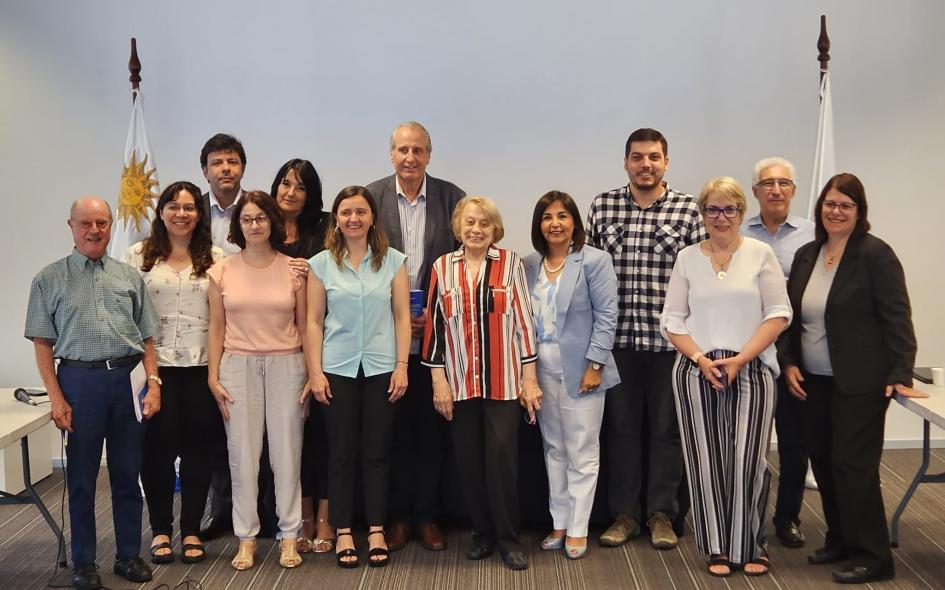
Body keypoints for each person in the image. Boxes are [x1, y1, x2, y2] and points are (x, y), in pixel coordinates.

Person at [778, 173, 923, 584]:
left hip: (860, 381)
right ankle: (840, 539)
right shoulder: (809, 253)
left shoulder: (875, 255)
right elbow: (791, 318)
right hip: (813, 379)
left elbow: (897, 316)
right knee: (822, 460)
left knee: (853, 466)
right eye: (829, 204)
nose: (835, 211)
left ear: (859, 212)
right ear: (819, 208)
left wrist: (900, 369)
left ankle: (875, 555)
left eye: (845, 205)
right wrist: (788, 361)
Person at [25, 197, 160, 590]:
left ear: (111, 225)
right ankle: (83, 561)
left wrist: (153, 384)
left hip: (126, 381)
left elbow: (148, 337)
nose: (94, 230)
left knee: (126, 473)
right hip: (79, 383)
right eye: (86, 223)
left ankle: (129, 555)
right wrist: (56, 397)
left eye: (102, 222)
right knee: (82, 478)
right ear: (71, 225)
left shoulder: (129, 277)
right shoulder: (48, 279)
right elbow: (42, 344)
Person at [661, 177, 791, 577]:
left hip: (750, 369)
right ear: (702, 214)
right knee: (705, 461)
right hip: (696, 370)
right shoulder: (687, 258)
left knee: (746, 460)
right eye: (712, 209)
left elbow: (779, 313)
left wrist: (741, 359)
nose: (721, 217)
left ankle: (752, 544)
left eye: (729, 209)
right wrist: (700, 358)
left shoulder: (760, 253)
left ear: (741, 212)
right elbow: (672, 319)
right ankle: (718, 546)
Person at [586, 128, 705, 549]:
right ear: (626, 162)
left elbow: (700, 280)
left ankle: (662, 515)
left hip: (670, 346)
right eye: (637, 157)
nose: (646, 165)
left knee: (666, 432)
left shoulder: (688, 211)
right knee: (620, 432)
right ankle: (624, 515)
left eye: (654, 157)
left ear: (666, 162)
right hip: (617, 343)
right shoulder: (603, 207)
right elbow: (590, 277)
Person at [423, 196, 541, 571]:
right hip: (459, 382)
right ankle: (482, 534)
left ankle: (509, 538)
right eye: (470, 223)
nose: (476, 230)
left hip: (502, 382)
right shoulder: (443, 267)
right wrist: (438, 381)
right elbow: (434, 331)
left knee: (502, 460)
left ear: (495, 229)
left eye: (484, 224)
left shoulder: (510, 264)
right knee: (469, 462)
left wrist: (529, 379)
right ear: (458, 228)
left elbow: (524, 322)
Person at [367, 121, 465, 553]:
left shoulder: (451, 197)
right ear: (391, 154)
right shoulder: (370, 197)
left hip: (436, 341)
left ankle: (426, 517)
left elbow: (467, 261)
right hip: (382, 341)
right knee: (388, 435)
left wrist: (436, 314)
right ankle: (397, 519)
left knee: (428, 434)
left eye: (418, 150)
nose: (410, 157)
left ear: (429, 155)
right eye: (402, 150)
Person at [306, 186, 411, 568]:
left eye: (361, 211)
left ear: (372, 218)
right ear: (336, 218)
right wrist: (314, 372)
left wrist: (402, 366)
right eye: (346, 211)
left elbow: (402, 316)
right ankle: (344, 530)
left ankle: (377, 528)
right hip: (337, 369)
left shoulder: (394, 261)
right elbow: (314, 322)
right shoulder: (320, 264)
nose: (354, 218)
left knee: (378, 452)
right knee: (340, 452)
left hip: (383, 368)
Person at [207, 191, 310, 570]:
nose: (254, 225)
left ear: (273, 223)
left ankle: (289, 537)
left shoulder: (295, 269)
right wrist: (213, 376)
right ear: (239, 225)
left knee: (287, 456)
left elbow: (305, 326)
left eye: (261, 218)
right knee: (243, 457)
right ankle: (246, 538)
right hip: (237, 368)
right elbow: (216, 327)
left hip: (287, 366)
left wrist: (311, 374)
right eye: (247, 219)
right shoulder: (221, 271)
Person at [123, 181, 224, 565]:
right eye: (173, 206)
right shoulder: (137, 258)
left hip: (202, 369)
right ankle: (162, 530)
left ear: (199, 214)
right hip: (155, 369)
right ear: (161, 211)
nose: (182, 213)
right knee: (158, 453)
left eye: (190, 207)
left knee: (200, 452)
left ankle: (192, 530)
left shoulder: (217, 259)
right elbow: (129, 315)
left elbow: (223, 318)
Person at [523, 191, 619, 560]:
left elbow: (607, 316)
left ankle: (578, 528)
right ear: (539, 225)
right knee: (554, 448)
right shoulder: (530, 264)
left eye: (563, 216)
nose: (555, 223)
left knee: (582, 449)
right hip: (540, 366)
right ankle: (559, 521)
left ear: (575, 222)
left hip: (582, 369)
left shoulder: (595, 261)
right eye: (547, 217)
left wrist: (595, 365)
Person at [741, 157, 815, 549]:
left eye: (784, 183)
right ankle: (744, 515)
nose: (775, 189)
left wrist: (792, 358)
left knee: (792, 442)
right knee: (747, 444)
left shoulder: (813, 235)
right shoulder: (738, 232)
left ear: (793, 190)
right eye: (767, 183)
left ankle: (787, 517)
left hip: (795, 353)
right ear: (754, 191)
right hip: (748, 350)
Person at [270, 158, 334, 553]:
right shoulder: (264, 228)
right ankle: (301, 516)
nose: (290, 192)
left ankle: (325, 518)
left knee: (324, 438)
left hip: (324, 345)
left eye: (299, 187)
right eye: (285, 184)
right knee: (290, 440)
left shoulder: (326, 229)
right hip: (277, 348)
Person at [198, 132, 249, 541]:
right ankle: (221, 513)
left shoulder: (255, 209)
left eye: (231, 161)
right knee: (217, 428)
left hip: (254, 329)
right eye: (217, 163)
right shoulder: (189, 209)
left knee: (256, 430)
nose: (225, 169)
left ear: (242, 168)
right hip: (205, 327)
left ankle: (259, 510)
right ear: (205, 171)